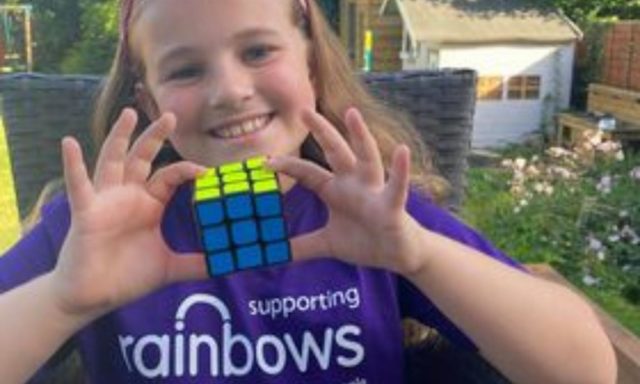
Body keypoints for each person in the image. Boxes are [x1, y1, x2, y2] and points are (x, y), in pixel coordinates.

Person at [0, 1, 616, 383]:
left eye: (259, 51)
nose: (229, 90)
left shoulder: (374, 215)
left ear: (313, 65)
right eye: (186, 69)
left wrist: (421, 256)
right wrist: (62, 299)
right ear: (147, 99)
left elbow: (586, 368)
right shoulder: (90, 234)